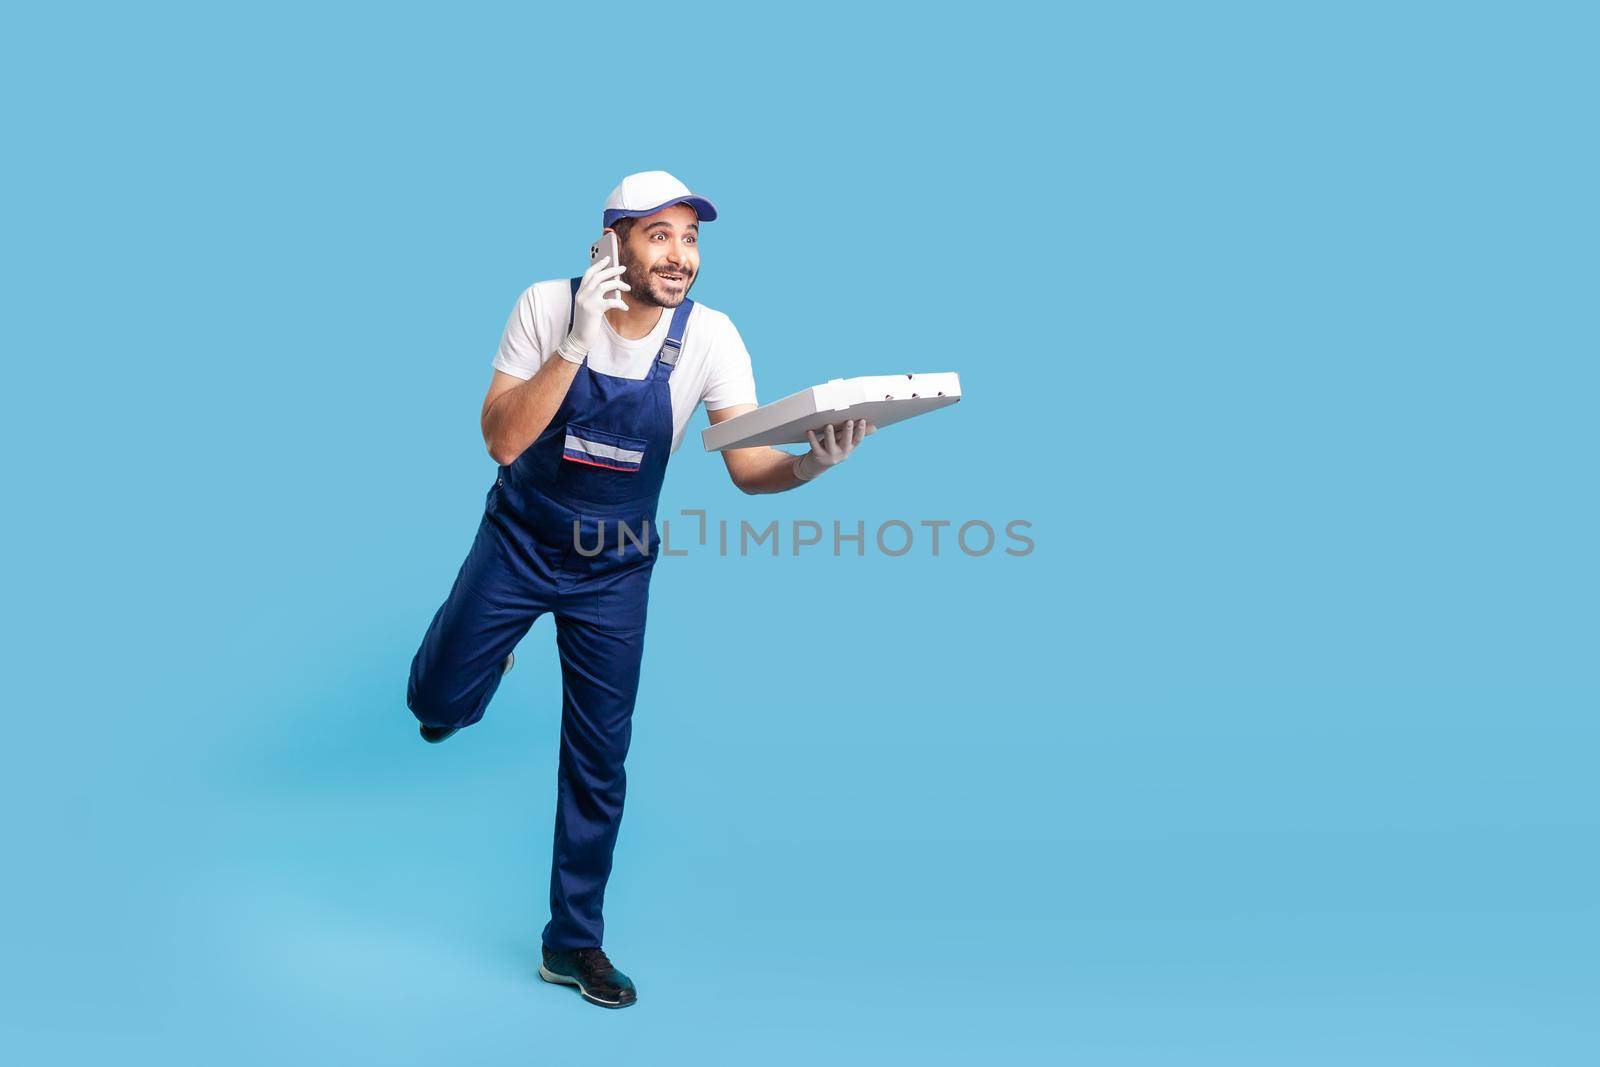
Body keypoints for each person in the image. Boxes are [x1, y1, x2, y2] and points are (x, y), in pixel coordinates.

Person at [405, 171, 874, 1009]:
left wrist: (810, 462)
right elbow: (502, 441)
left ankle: (571, 941)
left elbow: (747, 468)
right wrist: (578, 341)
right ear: (612, 240)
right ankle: (470, 676)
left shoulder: (713, 338)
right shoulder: (546, 306)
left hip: (614, 565)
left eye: (691, 238)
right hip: (518, 539)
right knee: (436, 699)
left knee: (600, 757)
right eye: (660, 234)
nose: (680, 255)